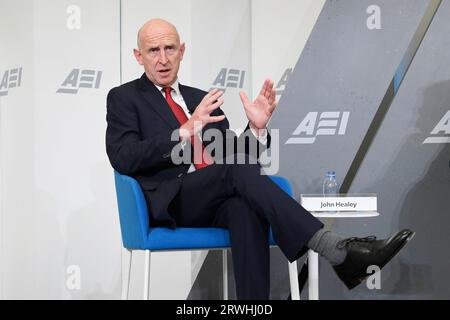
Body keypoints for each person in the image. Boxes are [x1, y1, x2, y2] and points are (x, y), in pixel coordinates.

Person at [106, 18, 414, 299]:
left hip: (211, 198)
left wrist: (256, 129)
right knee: (234, 177)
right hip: (167, 201)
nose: (162, 58)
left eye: (169, 48)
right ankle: (333, 248)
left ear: (182, 50)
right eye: (153, 50)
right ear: (138, 56)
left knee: (243, 207)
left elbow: (238, 162)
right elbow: (123, 158)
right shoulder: (124, 98)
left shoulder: (202, 98)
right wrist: (185, 131)